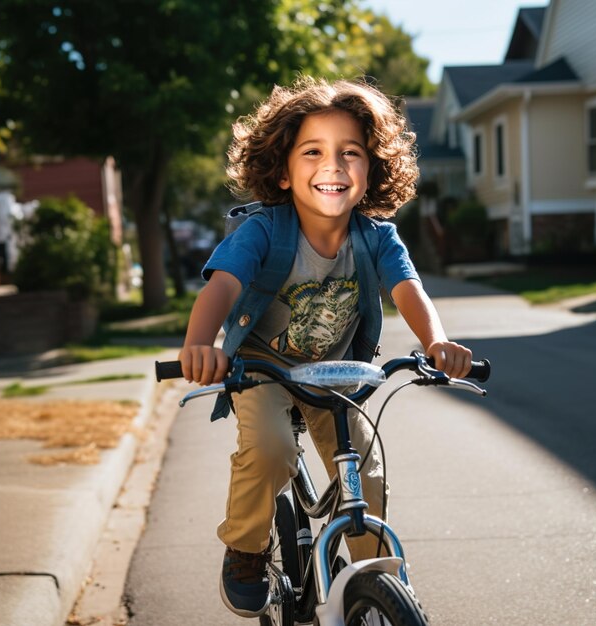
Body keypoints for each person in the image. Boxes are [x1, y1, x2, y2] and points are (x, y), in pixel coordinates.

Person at [179, 76, 472, 618]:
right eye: (312, 151)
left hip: (335, 375)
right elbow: (221, 286)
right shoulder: (264, 232)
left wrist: (436, 342)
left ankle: (378, 582)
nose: (332, 165)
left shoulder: (377, 236)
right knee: (269, 451)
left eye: (350, 153)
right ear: (283, 171)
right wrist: (199, 345)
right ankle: (245, 550)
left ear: (371, 169)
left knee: (368, 467)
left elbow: (410, 289)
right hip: (264, 369)